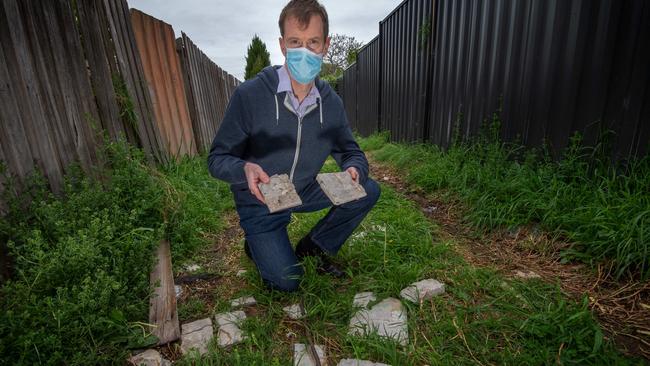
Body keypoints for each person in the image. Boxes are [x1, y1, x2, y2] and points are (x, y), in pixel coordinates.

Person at [207, 0, 380, 292]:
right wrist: (244, 168)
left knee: (368, 190)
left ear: (326, 45)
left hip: (302, 189)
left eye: (312, 42)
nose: (304, 51)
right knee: (287, 283)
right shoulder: (250, 95)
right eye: (295, 42)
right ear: (282, 45)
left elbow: (351, 151)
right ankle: (257, 243)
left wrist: (354, 169)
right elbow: (217, 158)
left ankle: (315, 247)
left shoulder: (331, 103)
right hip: (260, 198)